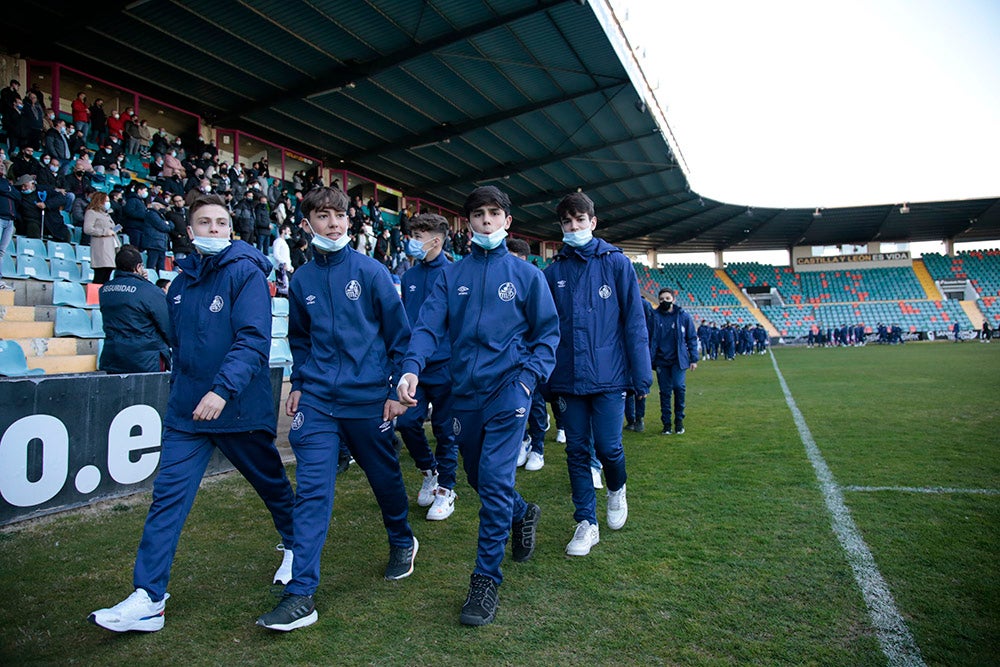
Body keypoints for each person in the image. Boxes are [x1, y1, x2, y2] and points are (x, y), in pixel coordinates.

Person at [89, 195, 296, 633]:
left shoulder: (247, 273)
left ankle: (297, 548)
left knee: (273, 488)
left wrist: (222, 390)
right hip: (187, 415)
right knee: (166, 500)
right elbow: (179, 348)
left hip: (237, 409)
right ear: (190, 231)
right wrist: (184, 393)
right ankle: (148, 598)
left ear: (231, 230)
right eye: (206, 222)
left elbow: (254, 340)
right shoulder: (179, 284)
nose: (215, 229)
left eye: (222, 222)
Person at [257, 186, 417, 632]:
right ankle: (301, 594)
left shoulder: (372, 272)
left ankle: (402, 538)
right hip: (320, 403)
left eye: (340, 215)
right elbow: (301, 339)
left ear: (350, 221)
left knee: (383, 477)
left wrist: (393, 389)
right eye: (324, 216)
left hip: (369, 399)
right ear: (307, 223)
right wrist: (303, 383)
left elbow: (399, 338)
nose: (334, 223)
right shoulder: (303, 279)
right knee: (311, 492)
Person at [397, 185, 559, 626]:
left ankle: (485, 580)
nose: (486, 220)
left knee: (492, 480)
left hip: (509, 392)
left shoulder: (528, 277)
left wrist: (527, 381)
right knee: (477, 477)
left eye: (494, 213)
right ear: (467, 223)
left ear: (507, 221)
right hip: (462, 395)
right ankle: (523, 512)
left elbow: (547, 336)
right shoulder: (452, 275)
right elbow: (427, 327)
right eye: (478, 214)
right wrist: (411, 367)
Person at [542, 192, 650, 557]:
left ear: (593, 221)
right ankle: (586, 522)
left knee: (609, 447)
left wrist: (641, 375)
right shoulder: (553, 271)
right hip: (568, 378)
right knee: (575, 450)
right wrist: (545, 375)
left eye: (580, 220)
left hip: (610, 376)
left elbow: (634, 322)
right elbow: (545, 329)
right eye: (567, 222)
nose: (574, 227)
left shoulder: (617, 264)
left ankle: (617, 489)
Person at [396, 213, 459, 519]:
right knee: (407, 423)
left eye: (419, 235)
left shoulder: (455, 274)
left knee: (446, 431)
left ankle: (447, 489)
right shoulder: (408, 277)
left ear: (436, 240)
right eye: (413, 233)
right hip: (416, 368)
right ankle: (429, 471)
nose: (412, 240)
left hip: (447, 366)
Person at [97, 245, 170, 372]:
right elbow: (167, 325)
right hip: (146, 359)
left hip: (113, 356)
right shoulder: (150, 291)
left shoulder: (104, 289)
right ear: (138, 267)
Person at [649, 287, 698, 435]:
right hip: (661, 361)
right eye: (662, 299)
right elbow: (650, 339)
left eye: (667, 299)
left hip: (678, 360)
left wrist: (694, 358)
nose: (664, 301)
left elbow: (691, 338)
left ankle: (679, 421)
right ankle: (666, 424)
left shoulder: (683, 317)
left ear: (673, 300)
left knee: (678, 387)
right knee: (664, 392)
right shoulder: (654, 317)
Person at [82, 192, 120, 284]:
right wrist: (104, 232)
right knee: (100, 275)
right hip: (101, 248)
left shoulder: (107, 214)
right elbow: (88, 229)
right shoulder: (92, 212)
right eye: (106, 201)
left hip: (110, 248)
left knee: (107, 275)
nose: (108, 203)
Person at [0, 160, 17, 290]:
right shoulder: (5, 184)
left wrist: (8, 190)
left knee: (1, 252)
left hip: (10, 221)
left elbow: (18, 195)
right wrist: (9, 190)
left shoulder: (7, 182)